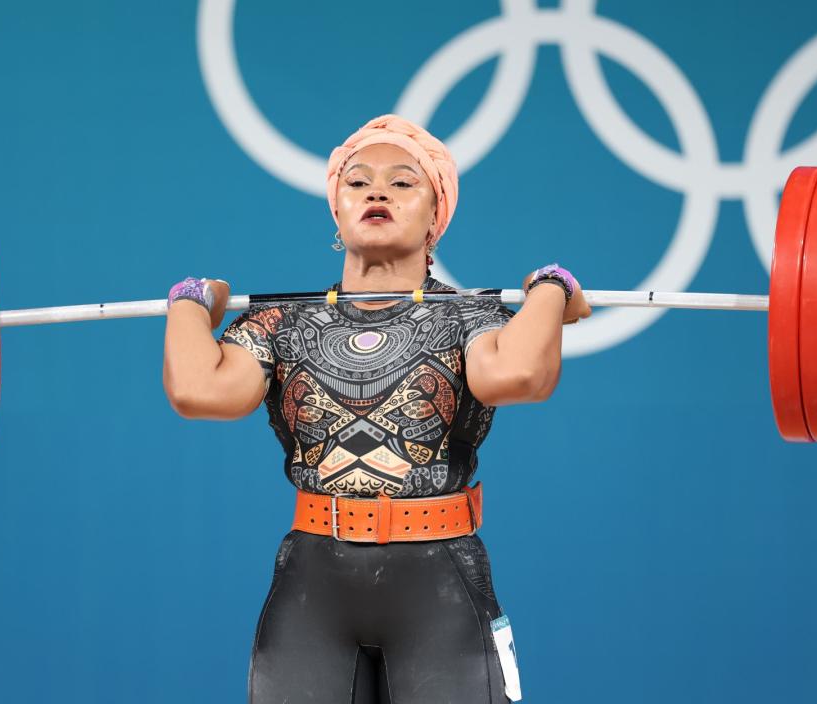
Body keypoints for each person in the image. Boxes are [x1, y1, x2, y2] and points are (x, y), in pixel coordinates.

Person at [163, 115, 591, 703]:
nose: (377, 193)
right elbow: (198, 390)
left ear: (435, 217)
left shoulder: (469, 316)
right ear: (337, 213)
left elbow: (519, 374)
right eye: (358, 182)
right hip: (313, 589)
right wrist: (190, 303)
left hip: (438, 587)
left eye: (402, 182)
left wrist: (548, 287)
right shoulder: (280, 323)